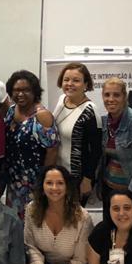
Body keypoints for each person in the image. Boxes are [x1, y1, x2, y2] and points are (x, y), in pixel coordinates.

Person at [24, 165, 93, 264]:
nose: (54, 188)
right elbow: (31, 247)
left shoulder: (83, 217)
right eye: (49, 183)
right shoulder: (32, 209)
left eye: (60, 183)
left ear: (67, 187)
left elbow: (80, 260)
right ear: (42, 186)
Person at [95, 78, 132, 218]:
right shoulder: (104, 122)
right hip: (109, 190)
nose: (111, 99)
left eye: (116, 95)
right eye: (107, 95)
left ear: (125, 97)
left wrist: (131, 196)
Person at [3, 70, 58, 217]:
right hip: (14, 181)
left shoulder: (42, 116)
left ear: (35, 92)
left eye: (26, 90)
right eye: (16, 90)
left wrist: (43, 182)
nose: (20, 94)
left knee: (33, 222)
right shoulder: (11, 110)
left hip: (34, 182)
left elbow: (52, 150)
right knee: (15, 223)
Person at [51, 63, 100, 201]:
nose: (70, 84)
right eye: (66, 79)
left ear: (86, 84)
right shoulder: (62, 99)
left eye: (76, 80)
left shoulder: (90, 111)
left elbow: (96, 150)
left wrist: (87, 179)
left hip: (76, 178)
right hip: (58, 173)